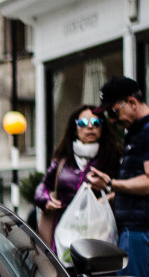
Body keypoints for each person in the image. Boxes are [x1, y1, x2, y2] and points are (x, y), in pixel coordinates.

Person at [85, 76, 149, 277]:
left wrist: (110, 183)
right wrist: (104, 199)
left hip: (142, 230)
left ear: (132, 102)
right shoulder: (138, 132)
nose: (111, 119)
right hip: (133, 229)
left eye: (113, 111)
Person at [33, 104, 120, 254]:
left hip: (98, 232)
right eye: (83, 123)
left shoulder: (113, 158)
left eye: (96, 123)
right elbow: (42, 188)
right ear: (75, 129)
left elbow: (122, 189)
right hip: (65, 232)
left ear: (102, 128)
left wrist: (108, 197)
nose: (90, 128)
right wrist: (46, 200)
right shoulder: (62, 161)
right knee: (67, 271)